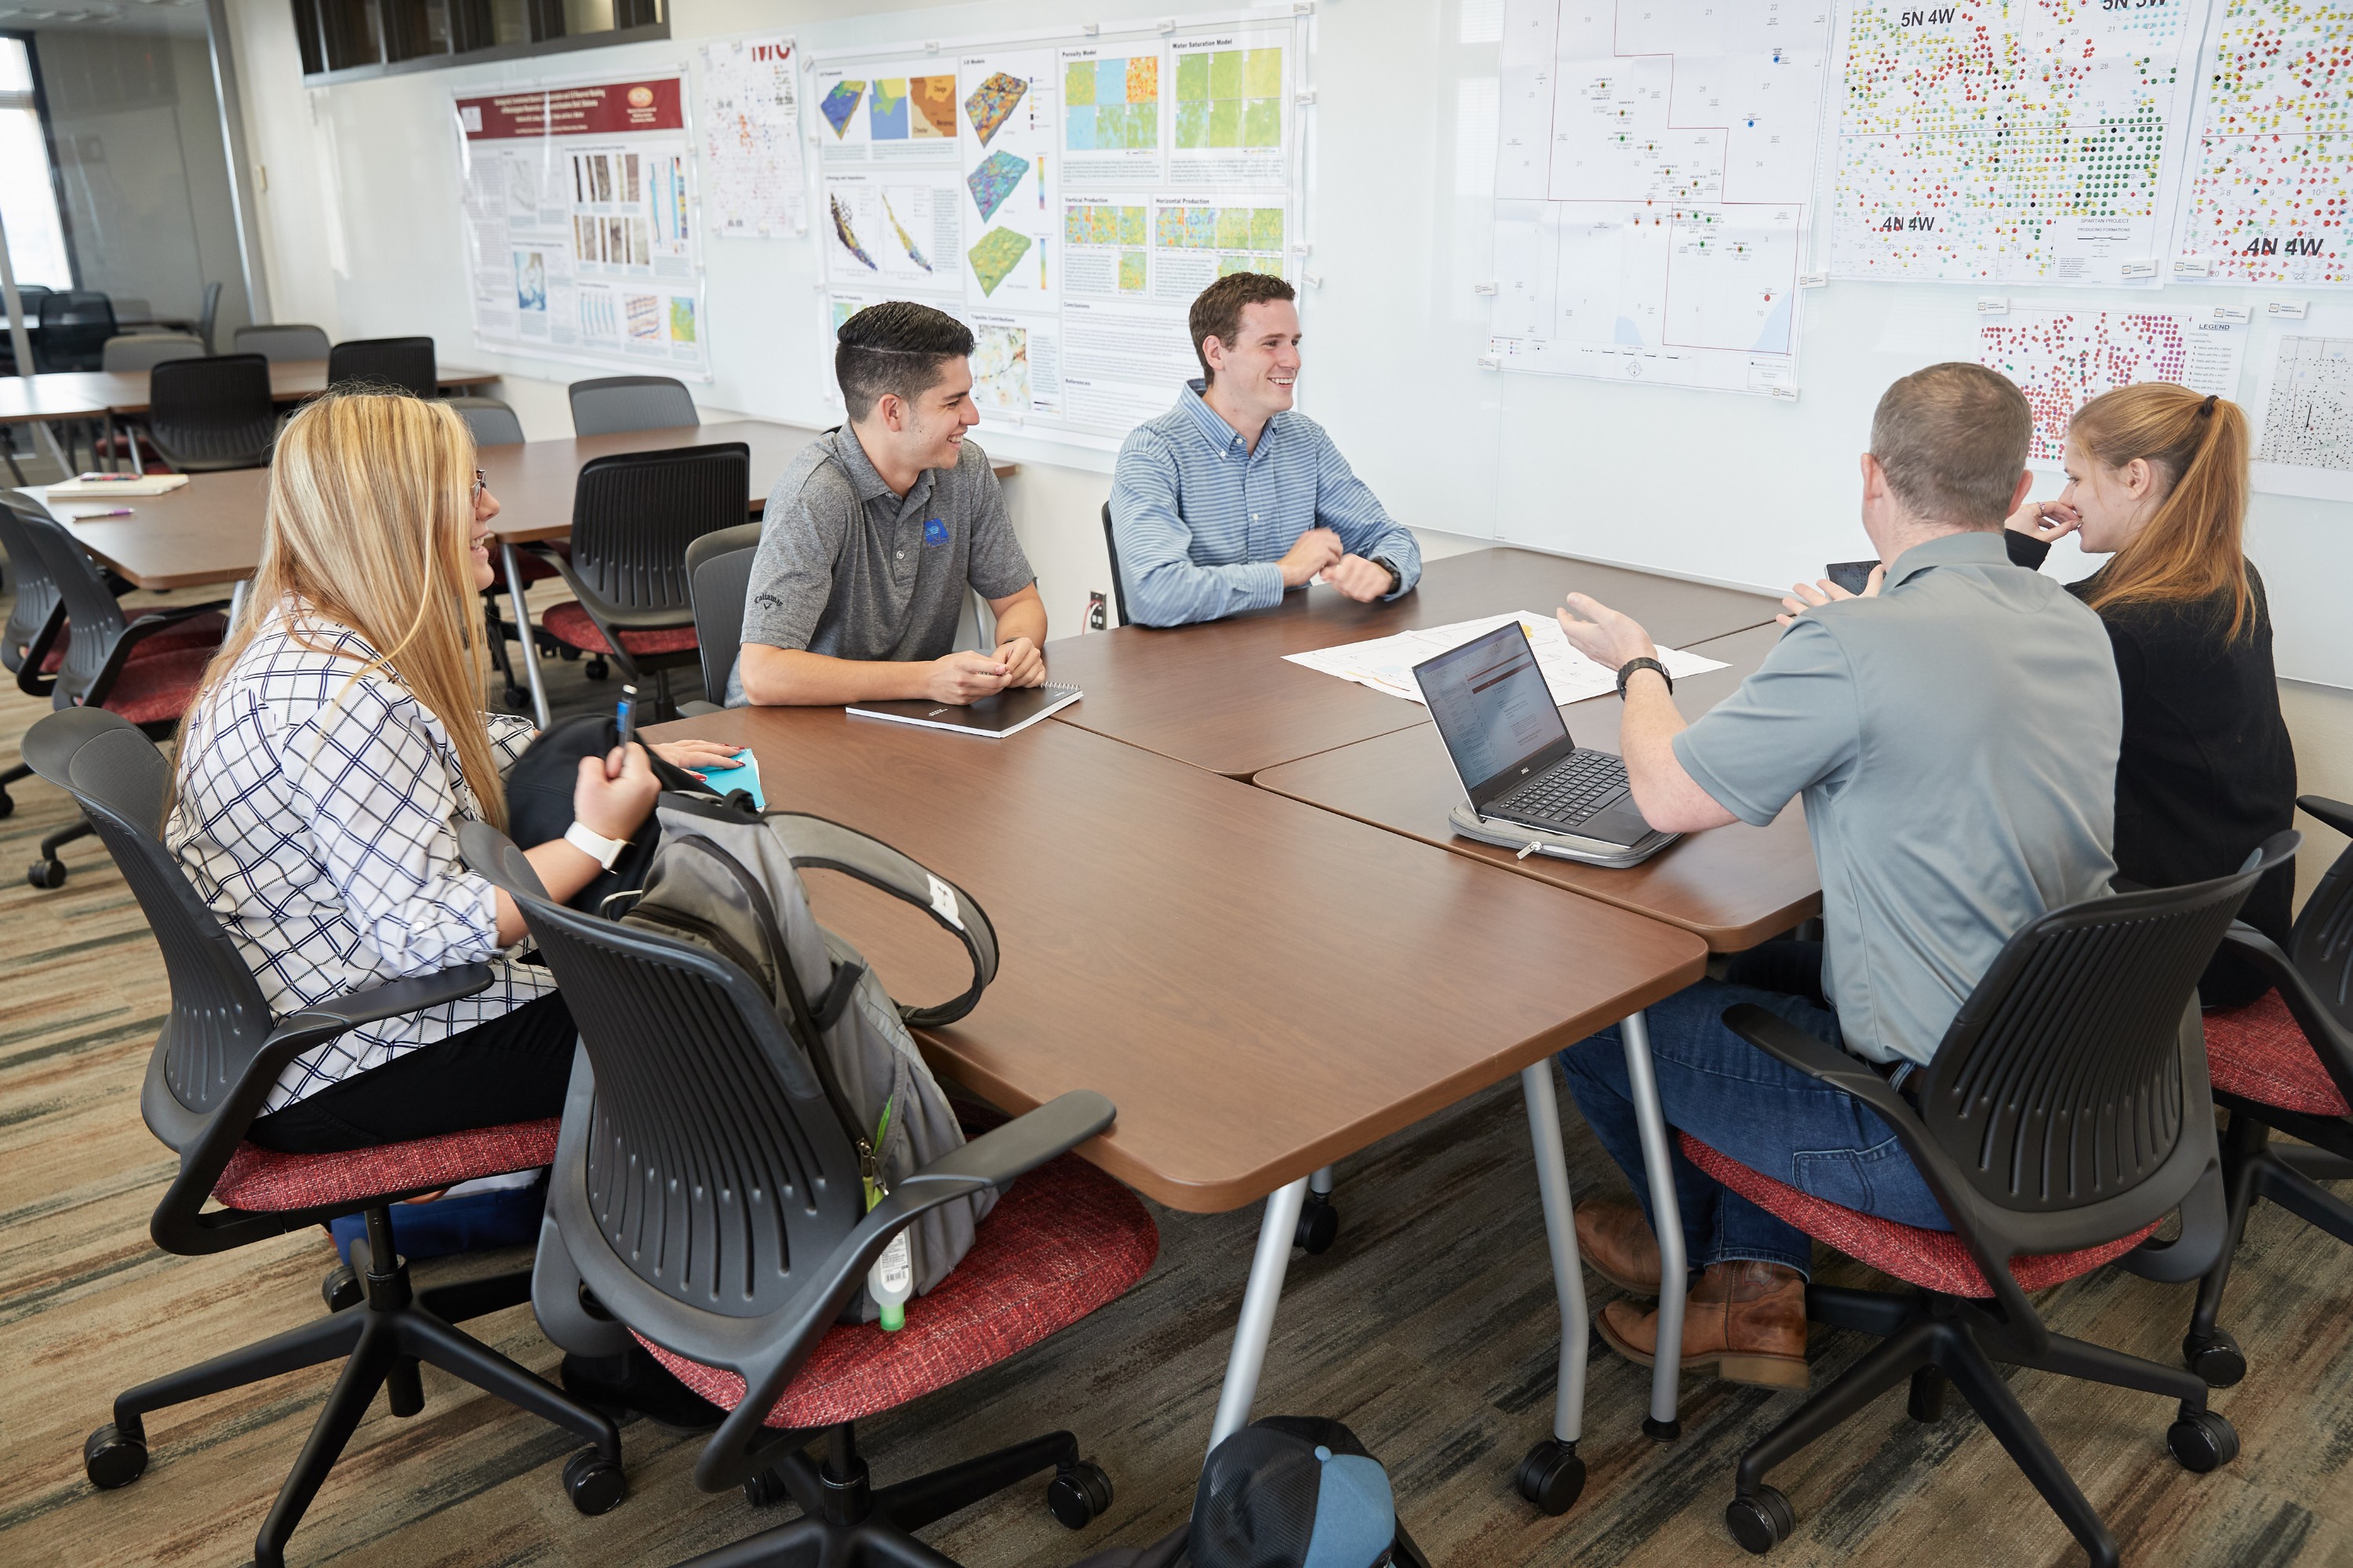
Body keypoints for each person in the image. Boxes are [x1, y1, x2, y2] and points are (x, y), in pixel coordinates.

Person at [1544, 363, 2122, 1390]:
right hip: (2085, 1099)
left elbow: (1671, 794)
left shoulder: (1855, 640)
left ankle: (1702, 1256)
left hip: (1937, 1142)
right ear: (2017, 480)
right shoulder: (2075, 626)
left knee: (1592, 1007)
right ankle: (1746, 1276)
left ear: (1871, 476)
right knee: (1770, 960)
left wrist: (1639, 666)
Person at [169, 391, 737, 1153]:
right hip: (356, 1049)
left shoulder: (301, 632)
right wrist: (596, 839)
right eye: (470, 487)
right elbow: (431, 934)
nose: (493, 504)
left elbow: (441, 743)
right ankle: (642, 1237)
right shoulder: (347, 706)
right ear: (396, 511)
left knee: (664, 979)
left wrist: (620, 747)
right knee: (718, 1035)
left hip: (307, 1006)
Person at [1998, 386, 2295, 1008]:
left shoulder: (2139, 624)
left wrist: (1876, 620)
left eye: (2077, 476)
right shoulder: (2217, 576)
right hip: (2228, 921)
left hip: (2177, 947)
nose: (2068, 496)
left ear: (2135, 477)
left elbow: (1986, 674)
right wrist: (2014, 553)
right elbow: (2062, 612)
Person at [731, 301, 1046, 706]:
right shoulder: (815, 494)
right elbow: (762, 674)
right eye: (953, 402)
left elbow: (1020, 601)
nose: (973, 415)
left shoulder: (965, 470)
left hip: (905, 717)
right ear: (893, 411)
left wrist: (1017, 649)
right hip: (793, 726)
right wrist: (926, 679)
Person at [1108, 272, 1420, 627]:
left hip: (1288, 657)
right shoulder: (1153, 451)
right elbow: (1154, 595)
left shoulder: (1306, 441)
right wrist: (1284, 573)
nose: (1293, 360)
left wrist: (1383, 571)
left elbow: (1389, 538)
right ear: (1216, 353)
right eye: (1271, 343)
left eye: (1294, 342)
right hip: (1192, 669)